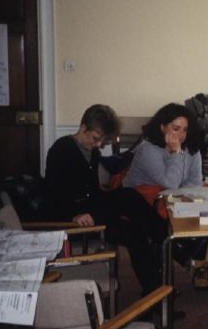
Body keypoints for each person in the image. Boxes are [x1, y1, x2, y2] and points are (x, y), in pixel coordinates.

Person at [44, 104, 161, 295]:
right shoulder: (62, 150)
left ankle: (154, 288)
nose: (99, 145)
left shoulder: (91, 151)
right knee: (131, 217)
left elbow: (93, 192)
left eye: (102, 140)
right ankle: (164, 242)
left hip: (91, 209)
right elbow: (53, 197)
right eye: (96, 139)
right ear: (83, 128)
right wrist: (73, 216)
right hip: (75, 221)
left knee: (132, 211)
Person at [123, 103, 208, 289]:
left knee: (206, 210)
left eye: (185, 130)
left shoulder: (191, 149)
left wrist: (188, 196)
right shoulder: (148, 150)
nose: (181, 135)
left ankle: (194, 260)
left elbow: (195, 180)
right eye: (175, 128)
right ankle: (180, 257)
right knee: (165, 217)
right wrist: (176, 153)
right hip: (142, 201)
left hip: (173, 196)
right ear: (162, 127)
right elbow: (169, 182)